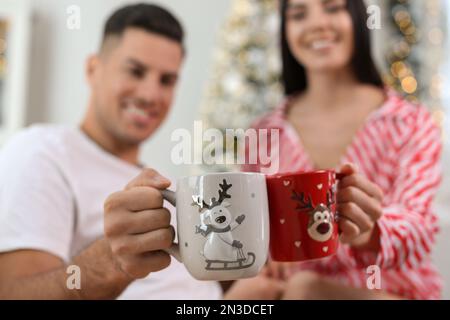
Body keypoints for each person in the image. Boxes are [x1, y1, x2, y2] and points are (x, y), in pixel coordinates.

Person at [0, 3, 283, 300]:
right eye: (135, 71)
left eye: (167, 80)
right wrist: (112, 262)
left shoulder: (163, 186)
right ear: (93, 69)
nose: (150, 94)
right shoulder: (44, 152)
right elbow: (12, 293)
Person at [242, 0, 442, 300]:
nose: (317, 23)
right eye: (298, 14)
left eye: (333, 8)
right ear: (286, 30)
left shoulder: (410, 123)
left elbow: (421, 232)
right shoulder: (263, 134)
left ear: (358, 18)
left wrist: (370, 232)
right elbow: (253, 231)